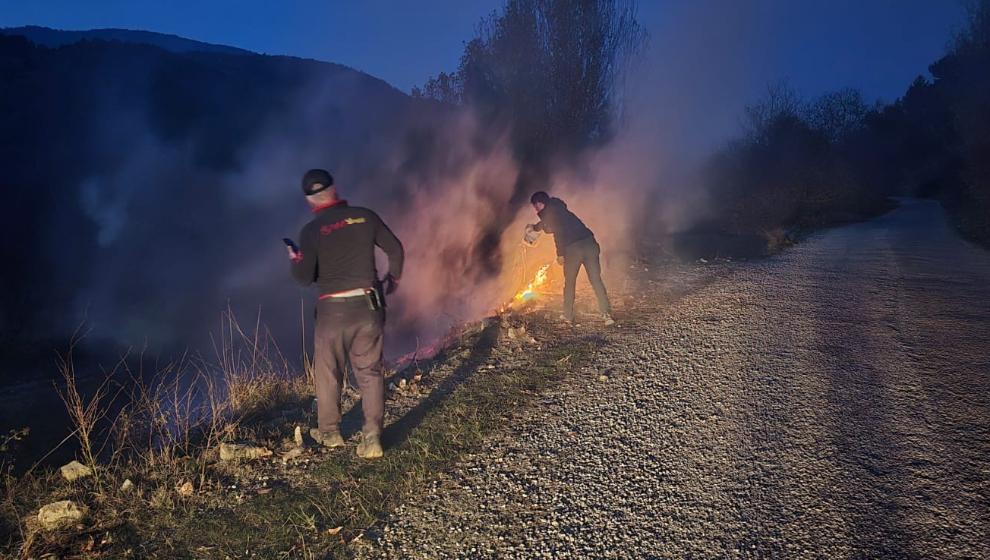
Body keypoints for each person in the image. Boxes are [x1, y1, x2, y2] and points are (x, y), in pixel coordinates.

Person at [286, 169, 403, 459]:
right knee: (370, 372)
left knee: (328, 372)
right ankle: (372, 435)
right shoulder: (364, 216)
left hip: (332, 311)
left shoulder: (311, 232)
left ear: (309, 200)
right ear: (334, 189)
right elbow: (396, 250)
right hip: (369, 305)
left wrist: (296, 259)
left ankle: (330, 433)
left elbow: (303, 278)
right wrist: (394, 279)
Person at [529, 191, 614, 325]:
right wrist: (535, 227)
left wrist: (560, 254)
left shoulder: (551, 213)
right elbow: (549, 225)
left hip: (574, 249)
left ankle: (568, 315)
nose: (536, 210)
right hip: (589, 243)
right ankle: (606, 313)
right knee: (596, 280)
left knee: (569, 283)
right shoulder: (560, 208)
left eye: (536, 207)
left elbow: (557, 233)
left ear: (540, 203)